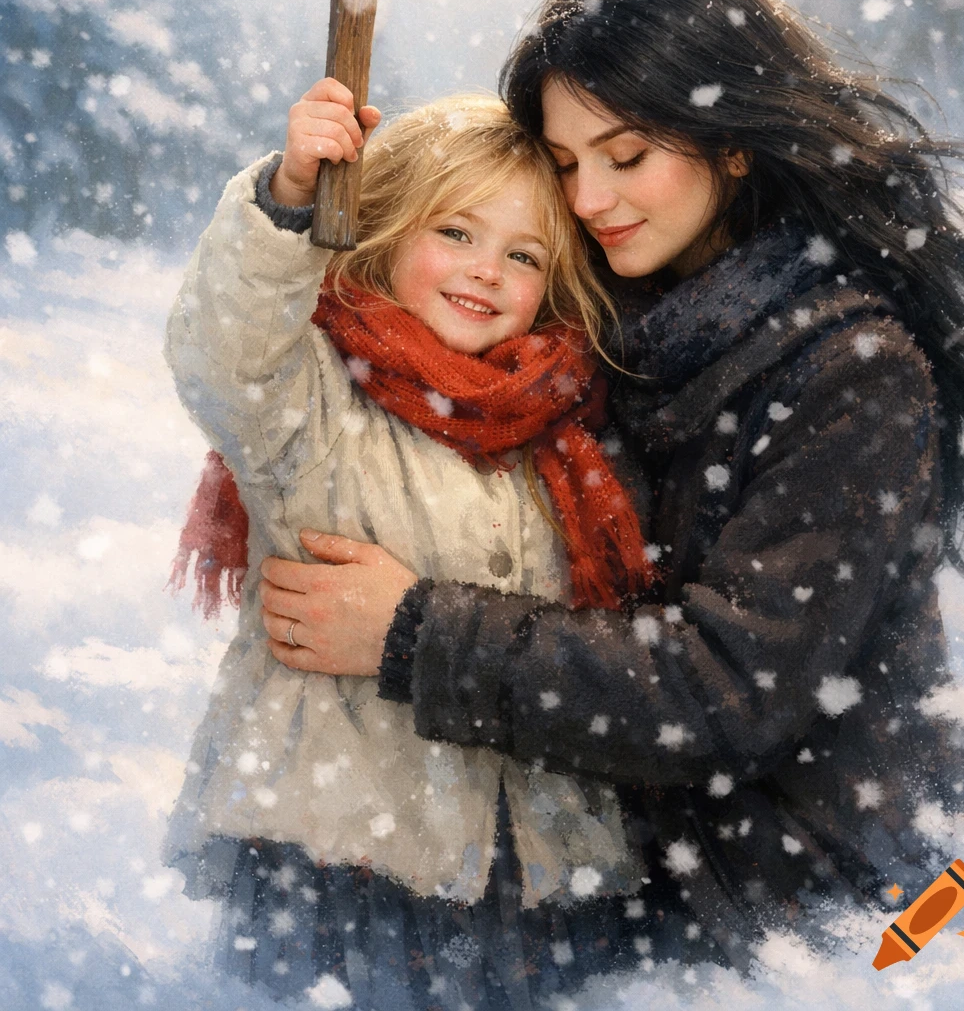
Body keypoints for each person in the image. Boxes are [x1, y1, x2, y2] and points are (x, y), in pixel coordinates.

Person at [260, 0, 964, 976]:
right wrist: (296, 206)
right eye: (566, 164)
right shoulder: (584, 334)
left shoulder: (852, 372)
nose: (589, 199)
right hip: (652, 898)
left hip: (864, 922)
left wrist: (414, 634)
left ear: (732, 144)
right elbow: (346, 345)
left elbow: (728, 690)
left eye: (624, 156)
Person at [163, 83, 659, 1008]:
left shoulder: (556, 432)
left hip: (520, 868)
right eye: (456, 233)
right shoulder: (312, 399)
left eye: (523, 254)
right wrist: (290, 199)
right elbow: (226, 350)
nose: (487, 271)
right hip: (336, 852)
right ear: (386, 234)